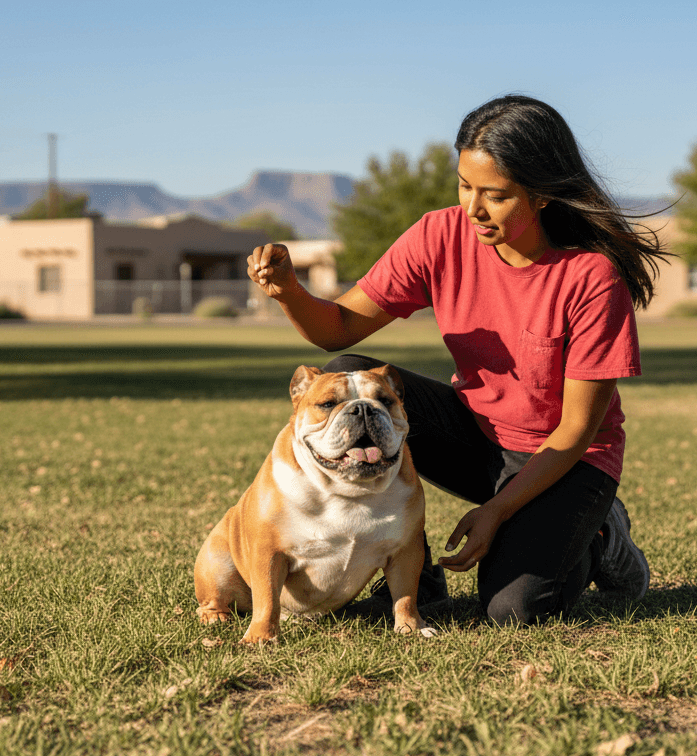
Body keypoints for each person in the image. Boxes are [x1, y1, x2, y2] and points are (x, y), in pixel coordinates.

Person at [246, 94, 668, 625]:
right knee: (344, 375)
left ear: (541, 196)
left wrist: (495, 513)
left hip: (565, 459)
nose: (473, 208)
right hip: (476, 434)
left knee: (514, 611)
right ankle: (414, 577)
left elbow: (578, 429)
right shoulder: (439, 235)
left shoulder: (591, 278)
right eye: (465, 186)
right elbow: (340, 330)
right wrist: (288, 290)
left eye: (496, 195)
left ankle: (603, 534)